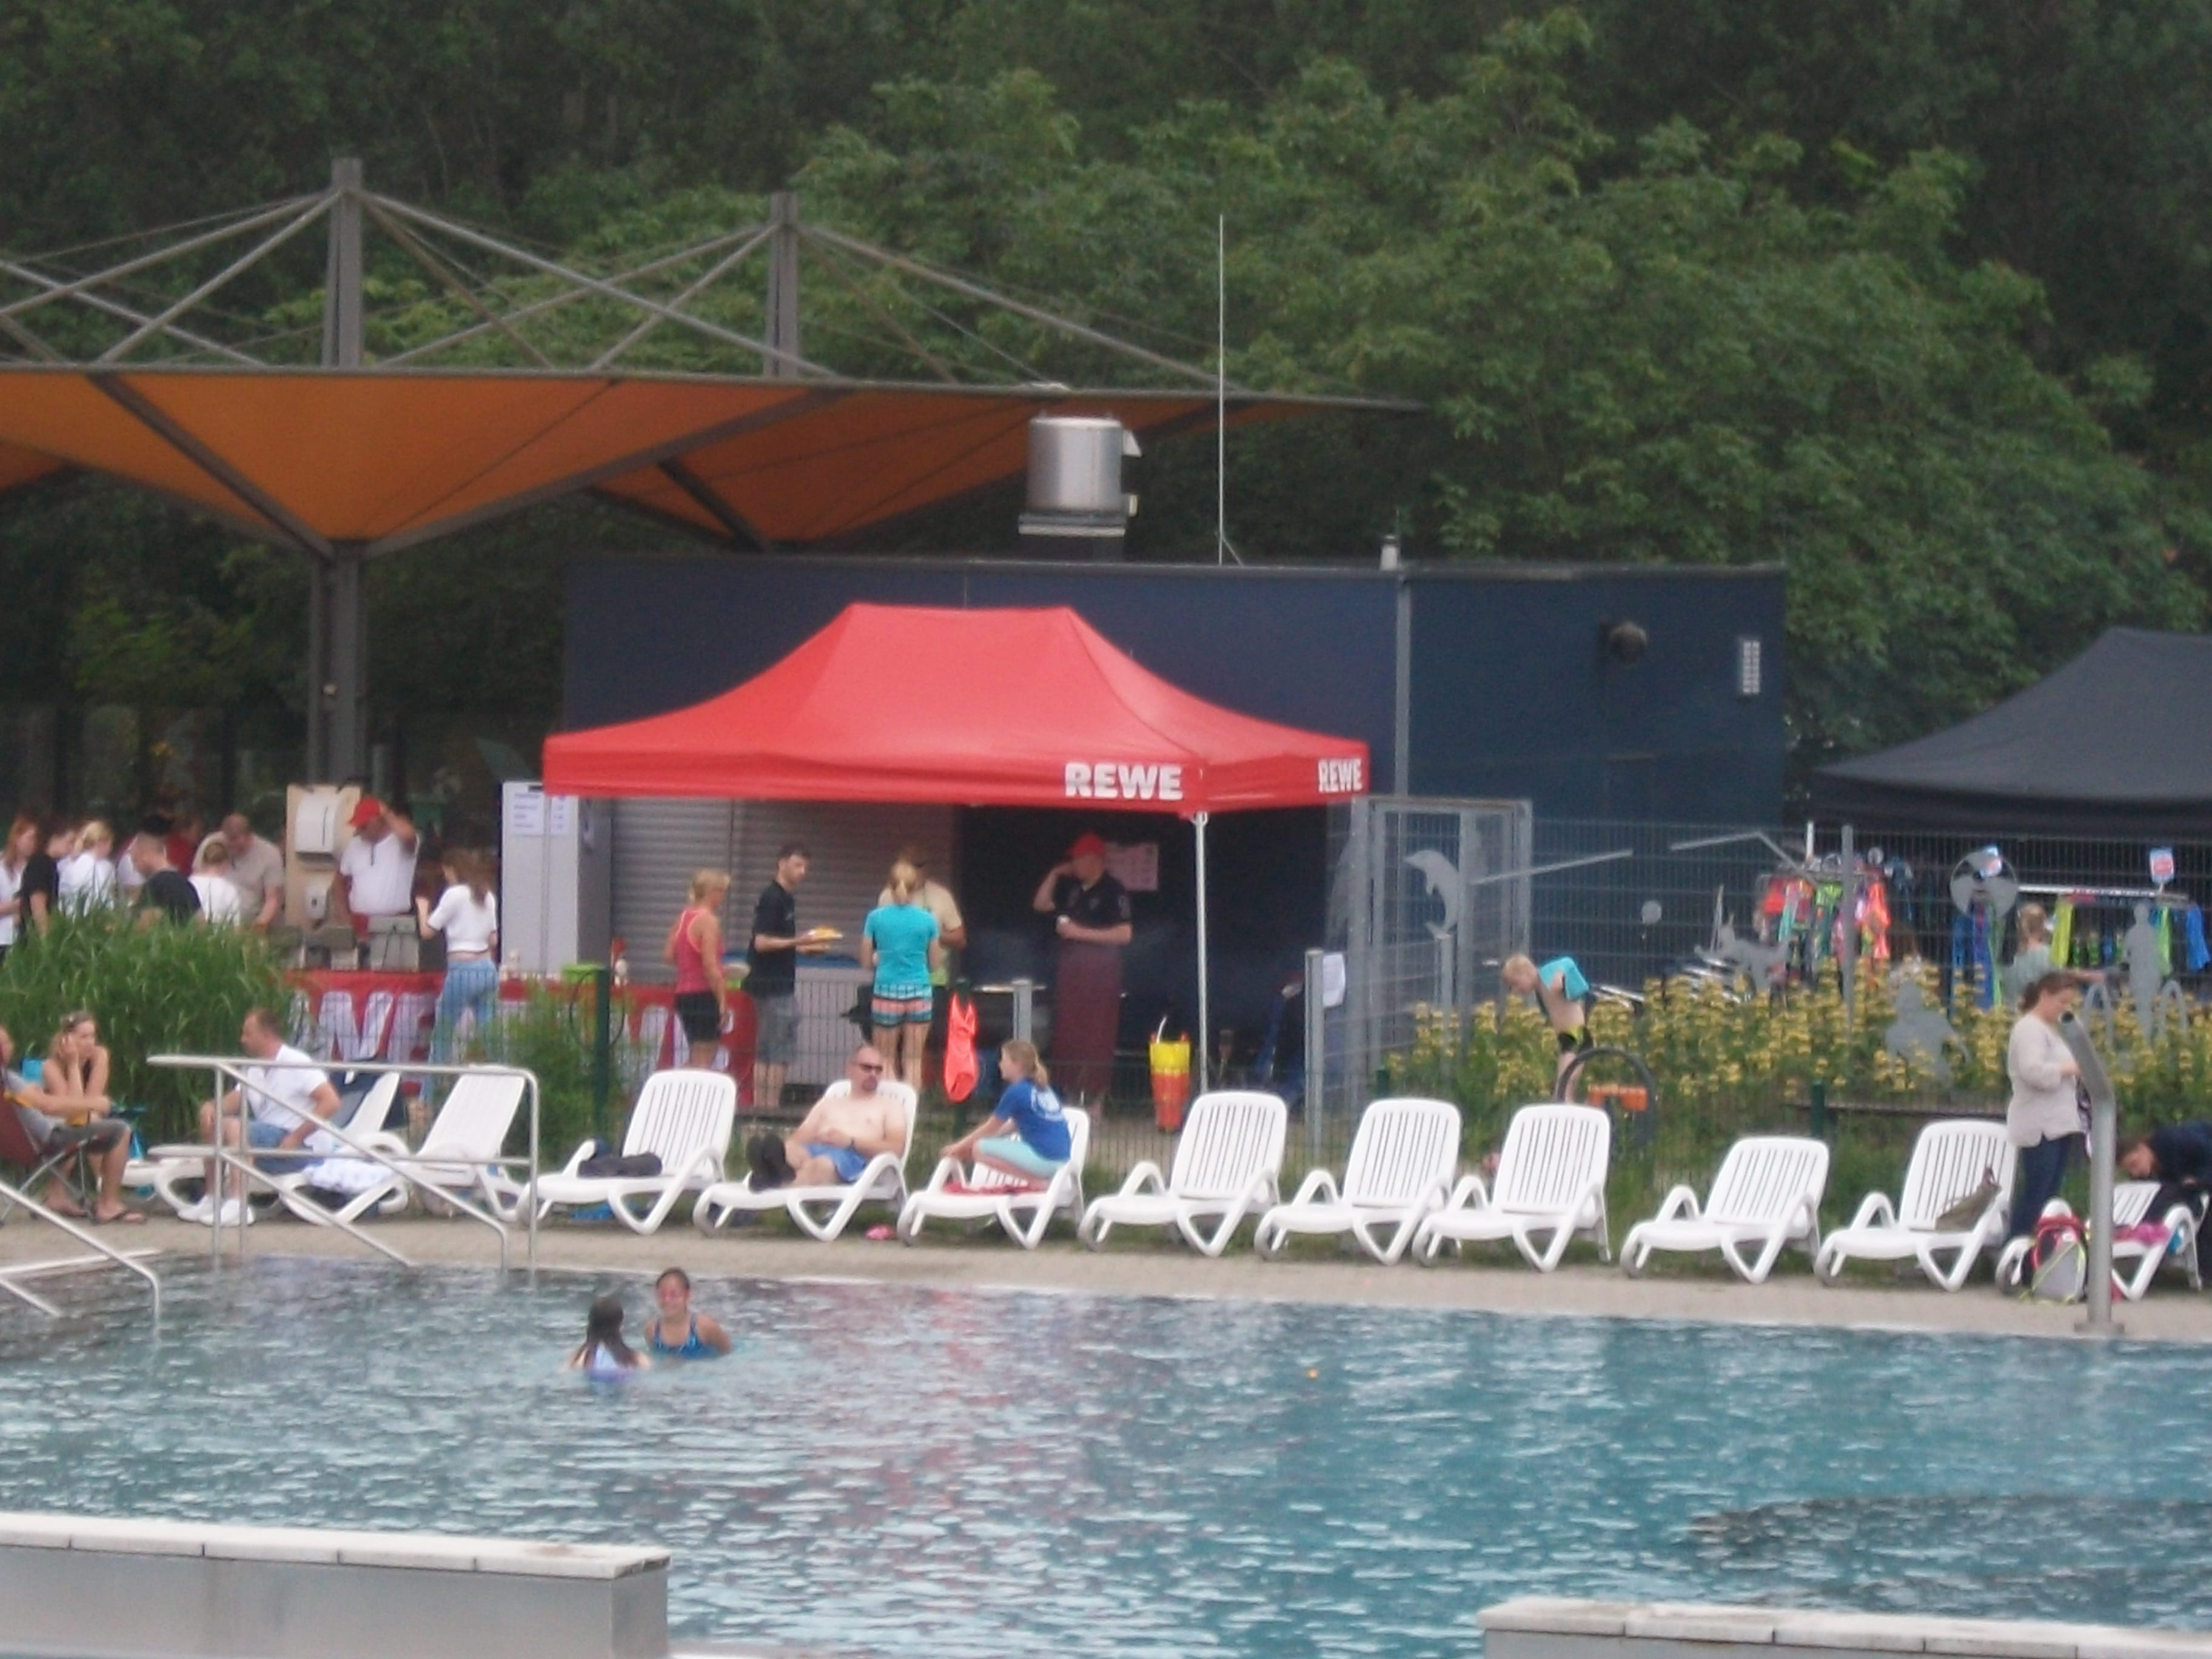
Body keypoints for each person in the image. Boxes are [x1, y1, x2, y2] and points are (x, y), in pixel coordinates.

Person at [189, 1006, 344, 1225]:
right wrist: (211, 1107)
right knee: (213, 1122)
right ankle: (213, 1197)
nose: (242, 1040)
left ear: (267, 1035)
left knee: (235, 1127)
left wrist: (296, 1138)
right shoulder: (254, 1068)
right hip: (271, 1140)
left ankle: (238, 1204)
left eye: (248, 1034)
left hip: (302, 1147)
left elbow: (331, 1101)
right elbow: (234, 1100)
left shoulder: (296, 1063)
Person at [0, 1019, 138, 1224]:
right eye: (7, 1043)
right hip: (48, 1138)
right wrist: (96, 1102)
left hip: (25, 1142)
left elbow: (61, 1105)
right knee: (120, 1130)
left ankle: (59, 1197)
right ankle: (108, 1205)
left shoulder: (7, 1080)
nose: (12, 1046)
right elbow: (51, 1106)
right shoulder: (8, 1079)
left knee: (80, 1124)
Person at [1031, 832, 1131, 1102]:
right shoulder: (1073, 889)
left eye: (1078, 859)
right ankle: (1071, 1094)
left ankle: (1097, 1100)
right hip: (1072, 969)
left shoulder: (1113, 890)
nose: (1074, 864)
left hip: (1101, 971)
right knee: (1069, 1031)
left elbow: (1125, 934)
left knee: (1097, 1034)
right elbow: (1041, 904)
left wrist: (1078, 933)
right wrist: (1055, 873)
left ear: (1094, 860)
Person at [747, 1045, 908, 1190]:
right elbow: (799, 1137)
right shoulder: (829, 1103)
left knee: (821, 1165)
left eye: (878, 1070)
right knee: (789, 1150)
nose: (873, 1074)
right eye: (867, 1068)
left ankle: (769, 1181)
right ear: (850, 1069)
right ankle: (770, 1170)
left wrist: (850, 1142)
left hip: (853, 1158)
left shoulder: (890, 1106)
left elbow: (896, 1148)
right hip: (816, 1149)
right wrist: (817, 1137)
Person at [2005, 970, 2086, 1248]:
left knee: (2051, 1194)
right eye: (2061, 1002)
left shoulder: (2053, 1030)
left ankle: (2041, 1247)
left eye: (2069, 1003)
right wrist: (2069, 1069)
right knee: (2037, 1192)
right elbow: (2033, 1071)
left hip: (2059, 1123)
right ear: (2044, 995)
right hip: (2040, 1125)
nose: (2065, 1008)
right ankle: (2017, 1245)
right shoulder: (2029, 1029)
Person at [746, 844, 829, 1107]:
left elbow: (779, 942)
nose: (802, 872)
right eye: (797, 865)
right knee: (777, 1050)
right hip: (772, 984)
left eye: (805, 867)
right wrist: (797, 941)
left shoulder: (786, 898)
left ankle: (764, 1105)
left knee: (771, 1048)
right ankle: (768, 1106)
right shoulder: (772, 898)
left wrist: (802, 948)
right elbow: (761, 942)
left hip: (779, 981)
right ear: (781, 863)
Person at [938, 1039, 1070, 1187]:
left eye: (1004, 1060)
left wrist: (958, 1147)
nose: (1000, 1064)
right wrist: (971, 1144)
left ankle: (1037, 1182)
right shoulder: (1041, 1088)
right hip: (1061, 1160)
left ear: (1017, 1065)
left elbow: (990, 1127)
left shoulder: (1017, 1092)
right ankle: (1040, 1181)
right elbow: (1013, 1126)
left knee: (979, 1149)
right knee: (978, 1146)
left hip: (1044, 1160)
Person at [861, 858, 942, 1096]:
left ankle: (889, 1104)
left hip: (887, 991)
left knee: (885, 1057)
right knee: (914, 1059)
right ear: (916, 887)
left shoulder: (875, 918)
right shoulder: (928, 920)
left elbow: (865, 961)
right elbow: (935, 964)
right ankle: (910, 1108)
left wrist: (878, 958)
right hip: (919, 991)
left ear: (890, 885)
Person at [419, 850, 500, 1068]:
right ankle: (500, 1078)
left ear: (452, 870)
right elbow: (493, 939)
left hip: (463, 968)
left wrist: (423, 909)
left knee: (444, 1032)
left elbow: (428, 931)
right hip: (487, 969)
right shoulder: (487, 895)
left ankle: (432, 1087)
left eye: (446, 872)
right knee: (490, 1033)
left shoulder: (454, 895)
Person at [879, 845, 966, 1045]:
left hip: (932, 982)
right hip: (893, 980)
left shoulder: (941, 896)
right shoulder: (886, 896)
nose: (915, 872)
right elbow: (878, 938)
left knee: (926, 1043)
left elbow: (960, 938)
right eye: (910, 866)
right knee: (891, 1043)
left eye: (920, 867)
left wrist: (934, 935)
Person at [2118, 1122, 2212, 1278]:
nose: (2135, 1172)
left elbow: (2207, 1151)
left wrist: (2200, 1179)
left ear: (2142, 1148)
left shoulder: (2172, 1141)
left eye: (2135, 1164)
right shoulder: (2151, 1170)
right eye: (2130, 1170)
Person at [665, 870, 731, 1070]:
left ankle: (674, 1085)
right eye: (722, 892)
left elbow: (669, 955)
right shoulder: (709, 921)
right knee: (705, 1058)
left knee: (697, 1054)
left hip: (684, 994)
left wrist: (690, 965)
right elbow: (710, 966)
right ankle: (675, 1086)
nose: (723, 897)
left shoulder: (683, 918)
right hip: (704, 994)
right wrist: (722, 1002)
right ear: (712, 893)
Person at [1501, 953, 1592, 1091]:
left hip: (1577, 1036)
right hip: (1567, 1039)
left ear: (1527, 972)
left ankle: (1567, 1102)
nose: (1515, 991)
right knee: (1561, 1086)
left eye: (1516, 984)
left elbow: (1567, 961)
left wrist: (1560, 975)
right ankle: (1565, 1102)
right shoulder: (1540, 990)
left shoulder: (1547, 973)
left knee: (1565, 1084)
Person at [337, 797, 420, 930]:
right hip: (359, 922)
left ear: (379, 821)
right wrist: (344, 918)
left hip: (394, 922)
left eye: (364, 825)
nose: (359, 829)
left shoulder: (399, 843)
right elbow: (339, 883)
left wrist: (387, 814)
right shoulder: (354, 845)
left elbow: (408, 836)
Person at [642, 1267, 731, 1358]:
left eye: (674, 1295)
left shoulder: (705, 1328)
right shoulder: (651, 1330)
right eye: (662, 1295)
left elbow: (728, 1353)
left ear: (687, 1295)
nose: (667, 1300)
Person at [219, 813, 286, 931]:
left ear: (249, 836)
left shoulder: (269, 854)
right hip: (217, 923)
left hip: (254, 923)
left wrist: (257, 929)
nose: (231, 844)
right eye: (228, 839)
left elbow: (273, 900)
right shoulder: (212, 846)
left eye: (235, 839)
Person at [129, 826, 201, 925]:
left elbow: (145, 924)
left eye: (135, 861)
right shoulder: (187, 884)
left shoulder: (154, 885)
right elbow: (201, 922)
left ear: (145, 855)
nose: (135, 869)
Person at [568, 1293, 648, 1377]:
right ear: (620, 1326)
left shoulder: (579, 1358)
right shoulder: (635, 1359)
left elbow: (564, 1374)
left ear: (591, 1325)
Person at [58, 820, 116, 913]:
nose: (111, 848)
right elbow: (102, 898)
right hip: (93, 917)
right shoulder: (102, 868)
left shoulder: (70, 865)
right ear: (101, 843)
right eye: (110, 844)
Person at [2003, 904, 2054, 1008]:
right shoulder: (2049, 955)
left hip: (2006, 1012)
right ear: (2042, 926)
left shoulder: (2006, 954)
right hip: (2035, 1013)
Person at [189, 835, 244, 925]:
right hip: (219, 933)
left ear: (203, 860)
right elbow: (235, 924)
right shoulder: (229, 889)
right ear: (225, 863)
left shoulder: (190, 883)